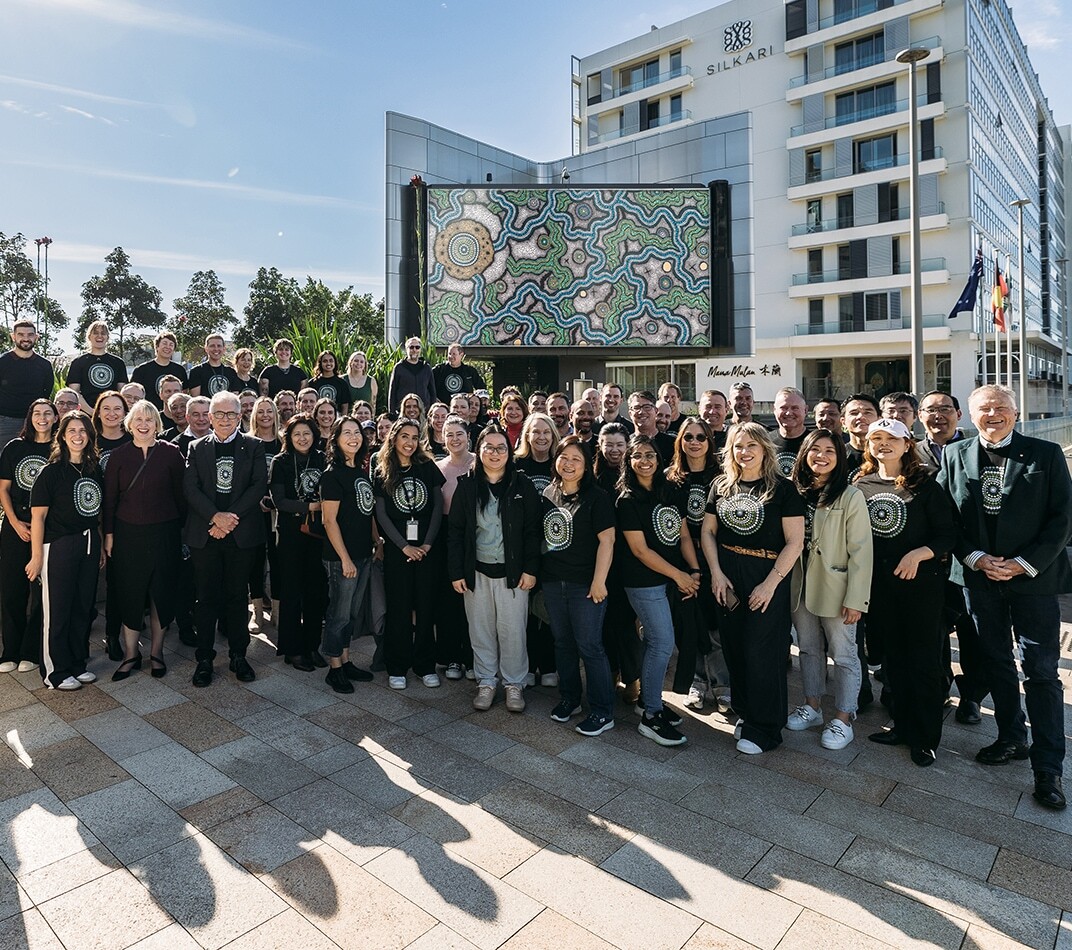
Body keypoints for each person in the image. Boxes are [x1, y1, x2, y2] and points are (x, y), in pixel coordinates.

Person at [939, 384, 1072, 809]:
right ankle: (1012, 736)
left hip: (1034, 579)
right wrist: (976, 558)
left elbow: (1063, 519)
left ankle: (1048, 767)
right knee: (995, 660)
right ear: (970, 416)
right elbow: (945, 519)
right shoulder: (954, 455)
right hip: (980, 579)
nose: (992, 415)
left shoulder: (1046, 455)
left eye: (1001, 408)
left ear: (1015, 413)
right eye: (984, 409)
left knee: (1041, 669)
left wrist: (1022, 563)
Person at [858, 418, 956, 768]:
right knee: (893, 661)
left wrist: (919, 553)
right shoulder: (861, 484)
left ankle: (925, 738)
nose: (883, 444)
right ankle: (900, 725)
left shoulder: (925, 483)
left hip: (921, 587)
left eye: (891, 439)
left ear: (906, 444)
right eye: (876, 438)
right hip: (880, 586)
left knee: (924, 662)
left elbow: (948, 533)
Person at [702, 422, 805, 755]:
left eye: (751, 446)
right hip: (729, 573)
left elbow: (795, 542)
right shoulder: (721, 486)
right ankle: (746, 715)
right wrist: (716, 572)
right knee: (735, 647)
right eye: (737, 446)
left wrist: (771, 583)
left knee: (763, 652)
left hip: (767, 573)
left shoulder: (783, 490)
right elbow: (707, 532)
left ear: (765, 448)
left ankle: (765, 729)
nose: (743, 452)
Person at [786, 429, 872, 750]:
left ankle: (843, 718)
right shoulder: (793, 491)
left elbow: (862, 552)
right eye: (815, 450)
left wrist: (856, 599)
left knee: (844, 654)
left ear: (839, 458)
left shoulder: (850, 495)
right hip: (800, 586)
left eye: (829, 451)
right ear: (804, 454)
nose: (821, 456)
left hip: (837, 588)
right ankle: (812, 706)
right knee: (808, 649)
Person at [448, 425, 540, 712]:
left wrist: (530, 568)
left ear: (509, 451)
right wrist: (456, 572)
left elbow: (532, 531)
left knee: (513, 631)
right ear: (480, 450)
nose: (495, 453)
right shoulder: (467, 486)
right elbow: (456, 532)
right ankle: (487, 681)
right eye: (488, 447)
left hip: (513, 574)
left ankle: (514, 684)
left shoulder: (521, 485)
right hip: (476, 572)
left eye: (501, 447)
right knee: (481, 630)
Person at [617, 433, 701, 746]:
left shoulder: (669, 491)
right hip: (643, 581)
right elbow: (640, 551)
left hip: (671, 577)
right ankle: (651, 715)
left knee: (659, 640)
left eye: (650, 455)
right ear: (629, 461)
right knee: (662, 641)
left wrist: (693, 571)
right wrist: (679, 576)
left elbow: (682, 536)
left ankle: (648, 701)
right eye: (637, 455)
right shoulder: (626, 500)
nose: (645, 461)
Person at [184, 391, 268, 687]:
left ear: (240, 416)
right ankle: (204, 658)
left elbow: (258, 486)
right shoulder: (196, 447)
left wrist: (230, 518)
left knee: (236, 597)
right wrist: (215, 517)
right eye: (218, 414)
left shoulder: (254, 447)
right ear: (209, 417)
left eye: (230, 414)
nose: (224, 419)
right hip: (206, 534)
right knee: (205, 598)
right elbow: (191, 488)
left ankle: (238, 655)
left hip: (240, 534)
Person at [103, 400, 185, 681]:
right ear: (129, 422)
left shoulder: (173, 454)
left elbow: (180, 497)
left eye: (149, 419)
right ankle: (130, 655)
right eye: (138, 418)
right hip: (127, 535)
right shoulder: (118, 456)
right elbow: (110, 500)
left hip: (165, 534)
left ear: (157, 424)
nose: (144, 424)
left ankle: (157, 653)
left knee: (160, 593)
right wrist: (109, 535)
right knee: (130, 593)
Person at [542, 436, 617, 736]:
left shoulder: (597, 498)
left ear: (586, 465)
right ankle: (570, 698)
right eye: (564, 457)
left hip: (585, 585)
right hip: (552, 582)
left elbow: (607, 541)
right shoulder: (549, 493)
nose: (569, 464)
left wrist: (599, 582)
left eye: (576, 459)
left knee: (590, 646)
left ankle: (602, 711)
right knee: (562, 643)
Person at [26, 410, 103, 690]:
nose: (78, 436)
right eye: (72, 430)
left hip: (89, 543)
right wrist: (36, 557)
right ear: (62, 435)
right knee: (57, 611)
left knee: (82, 607)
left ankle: (76, 663)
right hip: (58, 545)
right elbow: (38, 517)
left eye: (83, 431)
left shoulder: (94, 470)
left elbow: (98, 510)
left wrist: (100, 546)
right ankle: (55, 672)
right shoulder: (51, 472)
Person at [373, 417, 445, 689]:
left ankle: (425, 664)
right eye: (405, 436)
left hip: (427, 550)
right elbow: (380, 513)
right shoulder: (383, 470)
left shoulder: (427, 467)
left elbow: (437, 507)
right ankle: (397, 666)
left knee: (426, 607)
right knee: (399, 608)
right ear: (394, 438)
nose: (410, 442)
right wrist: (404, 545)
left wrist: (425, 544)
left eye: (415, 437)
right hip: (397, 551)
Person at [666, 417, 725, 708]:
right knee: (690, 625)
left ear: (709, 442)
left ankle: (722, 683)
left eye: (701, 437)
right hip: (682, 563)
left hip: (717, 559)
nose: (694, 442)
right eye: (688, 437)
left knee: (716, 624)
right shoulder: (670, 477)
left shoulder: (723, 476)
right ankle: (697, 682)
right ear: (680, 442)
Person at [320, 417, 377, 693]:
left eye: (357, 433)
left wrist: (375, 539)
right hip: (341, 557)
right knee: (339, 614)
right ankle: (334, 667)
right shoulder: (332, 475)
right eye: (347, 433)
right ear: (336, 439)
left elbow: (365, 511)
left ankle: (346, 659)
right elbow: (329, 521)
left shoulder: (361, 471)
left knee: (352, 614)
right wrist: (344, 559)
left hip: (364, 553)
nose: (354, 437)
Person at [0, 399, 56, 673]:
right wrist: (15, 523)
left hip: (46, 529)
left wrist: (37, 526)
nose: (42, 418)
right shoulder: (15, 448)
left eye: (48, 413)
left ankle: (30, 651)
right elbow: (3, 490)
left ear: (56, 417)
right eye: (37, 413)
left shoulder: (60, 450)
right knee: (12, 589)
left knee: (40, 592)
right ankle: (9, 650)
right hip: (15, 527)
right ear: (29, 417)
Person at [269, 414, 328, 671]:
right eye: (296, 434)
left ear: (314, 434)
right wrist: (311, 506)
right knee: (292, 591)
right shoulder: (280, 462)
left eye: (306, 433)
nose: (302, 438)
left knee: (316, 592)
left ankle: (312, 646)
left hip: (318, 535)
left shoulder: (322, 459)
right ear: (288, 437)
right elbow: (279, 501)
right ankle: (292, 650)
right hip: (291, 535)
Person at [436, 414, 475, 680]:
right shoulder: (437, 468)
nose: (454, 439)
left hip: (476, 535)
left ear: (468, 436)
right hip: (445, 535)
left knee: (474, 600)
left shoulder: (481, 463)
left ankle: (473, 658)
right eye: (449, 434)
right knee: (449, 600)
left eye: (459, 433)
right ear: (441, 438)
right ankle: (452, 658)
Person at [0, 320, 55, 447]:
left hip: (36, 422)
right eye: (21, 334)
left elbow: (46, 394)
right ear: (13, 336)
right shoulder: (2, 362)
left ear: (36, 337)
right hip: (5, 422)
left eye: (30, 335)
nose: (26, 338)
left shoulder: (44, 365)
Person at [66, 320, 128, 412]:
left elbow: (122, 391)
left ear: (107, 337)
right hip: (86, 414)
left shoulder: (118, 362)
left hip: (112, 414)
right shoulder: (78, 362)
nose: (100, 336)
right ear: (89, 337)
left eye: (103, 333)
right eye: (95, 333)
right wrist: (91, 412)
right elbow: (74, 392)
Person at [131, 331, 187, 409]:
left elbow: (184, 394)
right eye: (164, 343)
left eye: (171, 345)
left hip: (174, 415)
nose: (168, 347)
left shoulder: (180, 370)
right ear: (157, 346)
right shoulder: (142, 370)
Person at [770, 386, 809, 476]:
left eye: (795, 408)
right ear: (774, 410)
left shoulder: (815, 442)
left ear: (806, 410)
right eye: (784, 408)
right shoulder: (765, 442)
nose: (788, 413)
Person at [388, 337, 436, 412]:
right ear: (406, 349)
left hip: (423, 411)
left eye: (417, 347)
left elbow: (432, 392)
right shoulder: (399, 367)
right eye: (411, 347)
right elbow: (392, 391)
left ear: (420, 350)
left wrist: (432, 411)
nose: (414, 350)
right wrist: (392, 412)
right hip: (404, 411)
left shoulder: (426, 368)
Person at [188, 333, 241, 398]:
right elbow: (196, 399)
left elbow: (234, 397)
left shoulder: (231, 372)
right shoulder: (196, 371)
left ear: (224, 349)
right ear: (206, 348)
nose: (216, 349)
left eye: (219, 346)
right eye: (212, 346)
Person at [627, 390, 675, 461]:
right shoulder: (625, 443)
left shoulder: (672, 444)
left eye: (647, 407)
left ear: (656, 411)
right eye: (636, 408)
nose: (641, 412)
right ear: (630, 414)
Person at [841, 393, 880, 476]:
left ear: (879, 419)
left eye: (868, 412)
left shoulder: (889, 454)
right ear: (843, 422)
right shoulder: (837, 456)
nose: (861, 417)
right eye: (854, 413)